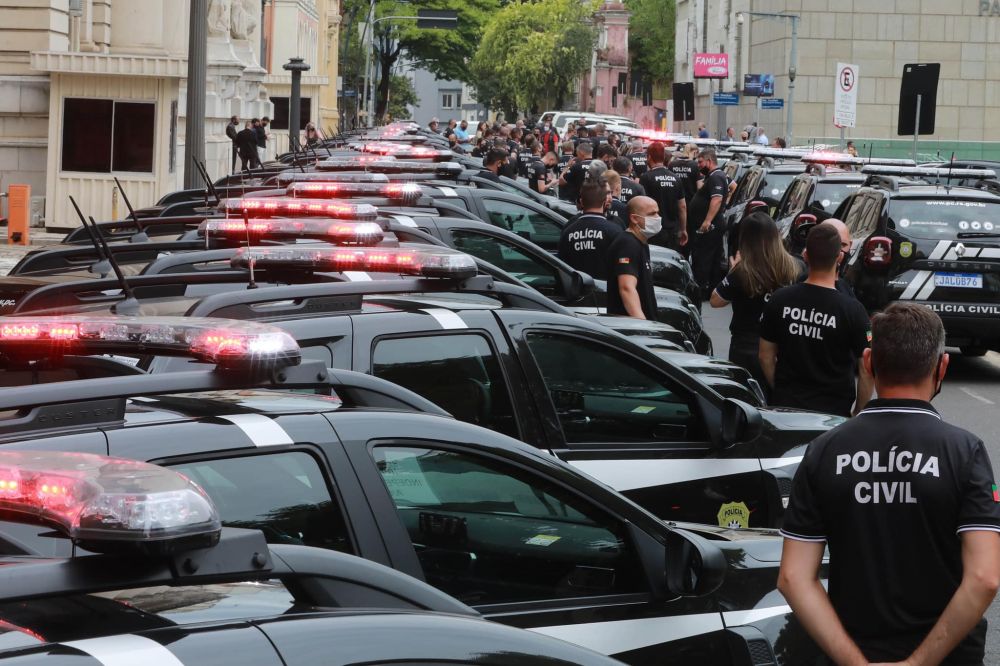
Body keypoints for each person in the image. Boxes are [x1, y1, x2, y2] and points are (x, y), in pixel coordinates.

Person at [777, 302, 1000, 665]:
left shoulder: (824, 450)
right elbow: (985, 577)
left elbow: (793, 577)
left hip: (854, 651)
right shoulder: (965, 452)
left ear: (868, 363)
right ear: (941, 366)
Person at [759, 222, 874, 417]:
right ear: (839, 257)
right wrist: (858, 413)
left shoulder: (779, 300)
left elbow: (765, 356)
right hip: (833, 415)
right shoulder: (853, 310)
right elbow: (866, 369)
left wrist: (781, 391)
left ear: (805, 255)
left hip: (786, 409)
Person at [710, 212, 799, 394]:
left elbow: (715, 301)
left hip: (746, 346)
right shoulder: (794, 267)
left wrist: (732, 271)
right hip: (783, 346)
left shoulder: (742, 271)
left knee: (744, 399)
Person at [606, 195, 660, 320]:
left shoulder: (640, 242)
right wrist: (643, 326)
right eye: (652, 214)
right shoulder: (627, 244)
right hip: (632, 327)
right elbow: (626, 288)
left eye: (658, 213)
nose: (657, 218)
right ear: (634, 218)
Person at [557, 178, 622, 281]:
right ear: (604, 200)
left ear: (581, 200)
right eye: (608, 193)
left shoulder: (569, 230)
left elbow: (562, 266)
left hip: (577, 290)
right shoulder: (615, 231)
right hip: (606, 290)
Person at [687, 149, 728, 296]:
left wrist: (707, 221)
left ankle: (701, 288)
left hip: (711, 226)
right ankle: (713, 287)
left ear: (709, 161)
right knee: (715, 257)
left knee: (703, 256)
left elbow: (716, 199)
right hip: (713, 224)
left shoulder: (716, 177)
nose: (698, 165)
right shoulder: (714, 176)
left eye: (700, 162)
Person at [638, 142, 687, 251]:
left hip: (652, 230)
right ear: (664, 157)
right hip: (672, 230)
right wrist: (683, 229)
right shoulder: (676, 178)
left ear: (649, 157)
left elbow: (642, 204)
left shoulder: (646, 178)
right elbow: (682, 207)